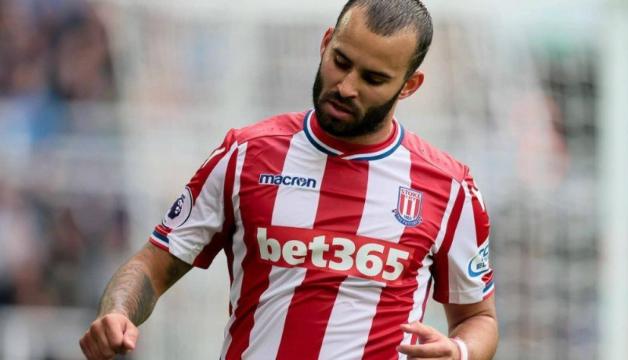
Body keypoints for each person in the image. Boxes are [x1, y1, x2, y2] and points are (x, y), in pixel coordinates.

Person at [79, 0, 498, 359]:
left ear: (409, 86)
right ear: (325, 42)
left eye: (372, 79)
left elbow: (478, 317)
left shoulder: (449, 188)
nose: (347, 86)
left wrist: (461, 351)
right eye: (341, 61)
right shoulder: (245, 155)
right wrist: (117, 312)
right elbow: (152, 264)